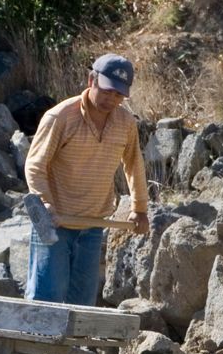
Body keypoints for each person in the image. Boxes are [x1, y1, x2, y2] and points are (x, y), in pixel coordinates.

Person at [24, 53, 149, 306]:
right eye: (106, 91)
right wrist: (45, 204)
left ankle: (76, 348)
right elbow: (35, 166)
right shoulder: (60, 117)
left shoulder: (125, 123)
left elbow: (134, 164)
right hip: (55, 224)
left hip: (92, 225)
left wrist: (140, 209)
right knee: (46, 302)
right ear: (91, 80)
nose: (111, 99)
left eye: (118, 94)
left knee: (81, 307)